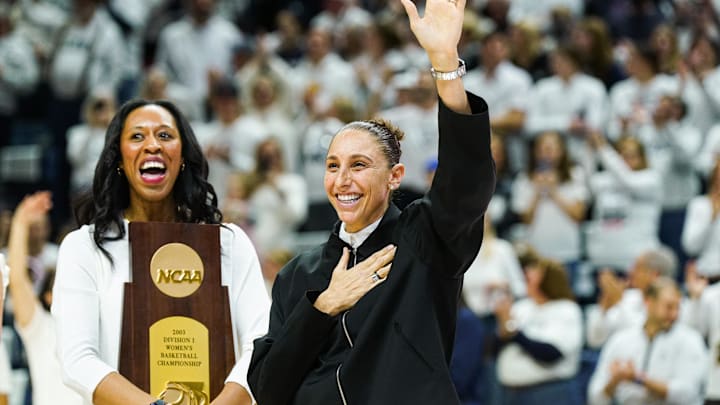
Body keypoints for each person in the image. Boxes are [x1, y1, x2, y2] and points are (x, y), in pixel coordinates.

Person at [247, 0, 496, 404]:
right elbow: (267, 390)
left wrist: (445, 65)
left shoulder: (423, 240)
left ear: (394, 177)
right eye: (333, 166)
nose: (342, 180)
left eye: (359, 165)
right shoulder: (299, 274)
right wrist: (324, 306)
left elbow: (466, 186)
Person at [52, 98, 270, 405]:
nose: (152, 145)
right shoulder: (85, 248)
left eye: (165, 135)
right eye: (137, 136)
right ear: (118, 157)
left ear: (182, 156)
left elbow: (262, 344)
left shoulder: (229, 244)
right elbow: (77, 359)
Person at [7, 191, 83, 405]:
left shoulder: (100, 325)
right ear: (49, 297)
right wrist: (21, 221)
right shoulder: (40, 327)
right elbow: (18, 279)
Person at [587, 277, 707, 405]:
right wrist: (615, 381)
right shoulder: (621, 339)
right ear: (648, 302)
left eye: (678, 307)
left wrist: (639, 379)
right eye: (669, 307)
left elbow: (687, 394)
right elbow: (595, 397)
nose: (674, 314)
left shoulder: (691, 340)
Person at [493, 258, 583, 405]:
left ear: (548, 279)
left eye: (535, 271)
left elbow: (552, 353)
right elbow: (493, 350)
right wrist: (503, 331)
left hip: (549, 393)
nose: (527, 273)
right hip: (510, 392)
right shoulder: (521, 307)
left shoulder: (566, 309)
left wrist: (514, 333)